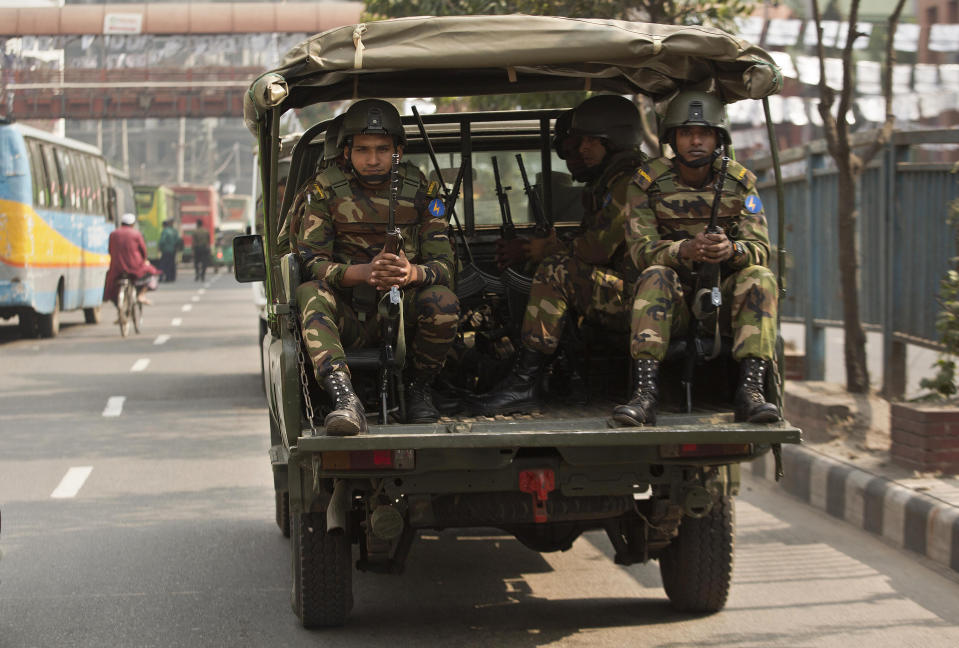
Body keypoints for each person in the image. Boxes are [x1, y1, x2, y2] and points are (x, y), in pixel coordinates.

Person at [470, 95, 647, 415]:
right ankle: (548, 376)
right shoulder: (614, 181)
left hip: (643, 298)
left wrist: (549, 249)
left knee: (556, 271)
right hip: (634, 292)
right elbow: (596, 240)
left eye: (592, 141)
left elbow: (598, 248)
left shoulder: (630, 182)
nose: (581, 149)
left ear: (615, 140)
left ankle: (524, 385)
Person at [291, 99, 459, 435]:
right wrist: (361, 273)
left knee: (443, 300)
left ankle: (417, 390)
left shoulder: (421, 191)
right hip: (348, 313)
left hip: (402, 316)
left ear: (398, 150)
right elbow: (311, 262)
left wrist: (412, 273)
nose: (373, 159)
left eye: (382, 149)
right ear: (347, 151)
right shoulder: (324, 190)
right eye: (363, 149)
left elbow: (446, 266)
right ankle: (344, 400)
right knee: (310, 293)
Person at [613, 90, 780, 426]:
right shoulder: (648, 183)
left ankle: (750, 392)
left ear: (718, 138)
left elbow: (761, 249)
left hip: (722, 306)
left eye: (704, 133)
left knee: (760, 276)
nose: (695, 141)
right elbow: (641, 250)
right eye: (687, 133)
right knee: (656, 273)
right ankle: (645, 394)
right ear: (673, 138)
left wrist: (731, 251)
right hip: (669, 306)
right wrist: (683, 250)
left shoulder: (739, 183)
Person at [104, 213, 160, 306]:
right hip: (134, 266)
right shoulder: (136, 234)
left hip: (117, 267)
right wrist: (144, 260)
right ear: (132, 224)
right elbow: (143, 251)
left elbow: (110, 250)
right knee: (152, 272)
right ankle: (141, 295)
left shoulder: (113, 234)